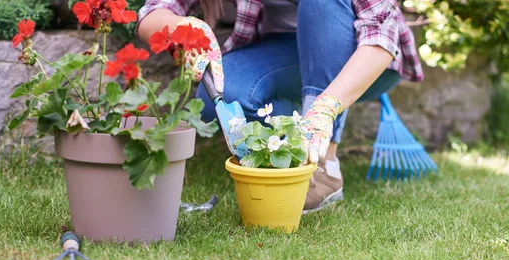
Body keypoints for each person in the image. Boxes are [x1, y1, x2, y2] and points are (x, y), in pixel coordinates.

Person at [137, 0, 423, 212]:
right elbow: (152, 13)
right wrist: (183, 27)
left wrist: (327, 106)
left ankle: (322, 163)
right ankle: (295, 144)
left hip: (364, 54)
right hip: (283, 50)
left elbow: (379, 38)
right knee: (225, 96)